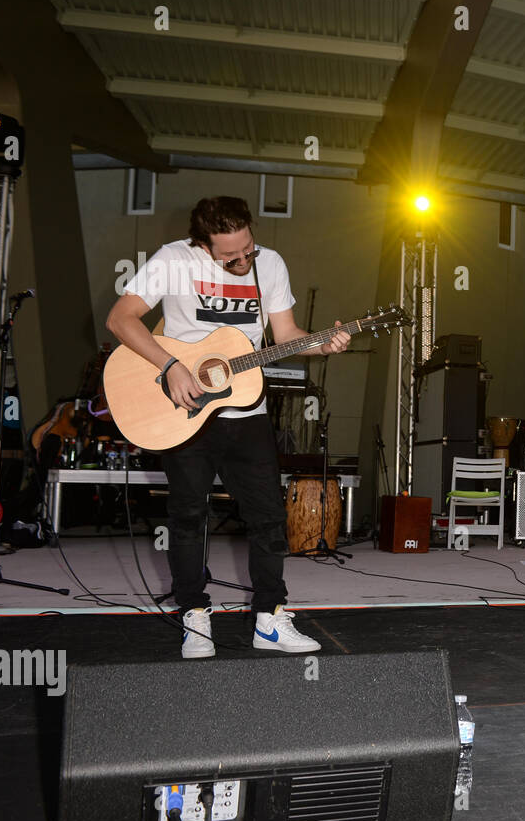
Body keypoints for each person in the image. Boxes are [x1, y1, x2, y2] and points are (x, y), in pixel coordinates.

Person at [106, 196, 350, 658]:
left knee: (269, 517)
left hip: (246, 411)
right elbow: (120, 319)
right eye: (229, 257)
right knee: (188, 516)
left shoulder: (271, 265)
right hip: (185, 409)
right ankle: (195, 618)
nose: (242, 261)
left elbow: (285, 336)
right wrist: (171, 365)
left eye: (247, 250)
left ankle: (270, 620)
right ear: (202, 245)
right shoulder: (173, 259)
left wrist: (323, 344)